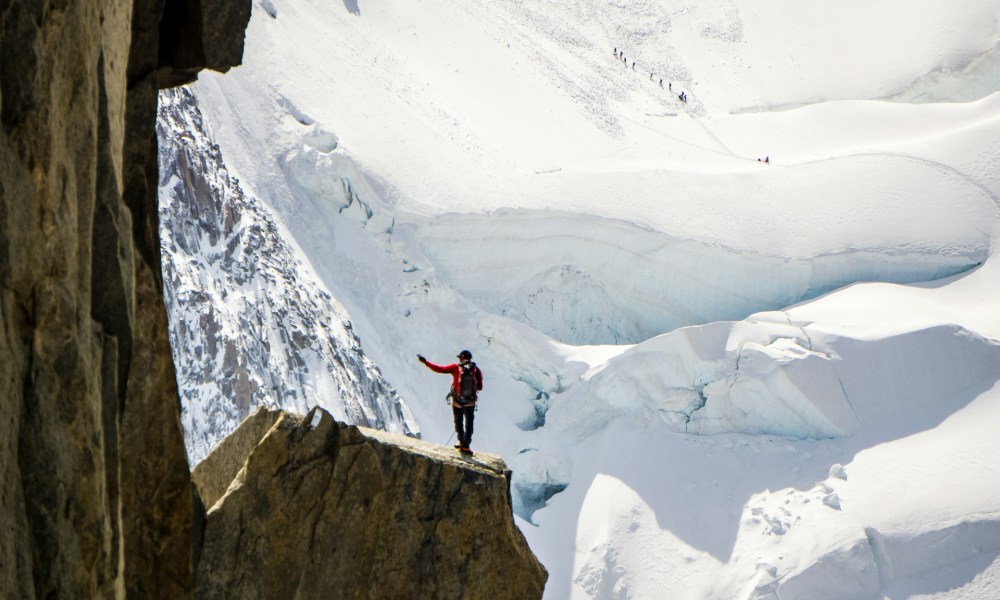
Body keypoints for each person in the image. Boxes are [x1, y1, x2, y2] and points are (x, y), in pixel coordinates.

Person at [418, 350, 484, 454]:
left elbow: (439, 369)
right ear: (470, 359)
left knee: (458, 422)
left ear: (461, 358)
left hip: (457, 401)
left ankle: (460, 441)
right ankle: (466, 445)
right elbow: (480, 387)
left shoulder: (455, 367)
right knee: (469, 423)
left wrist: (426, 362)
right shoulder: (477, 370)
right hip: (470, 402)